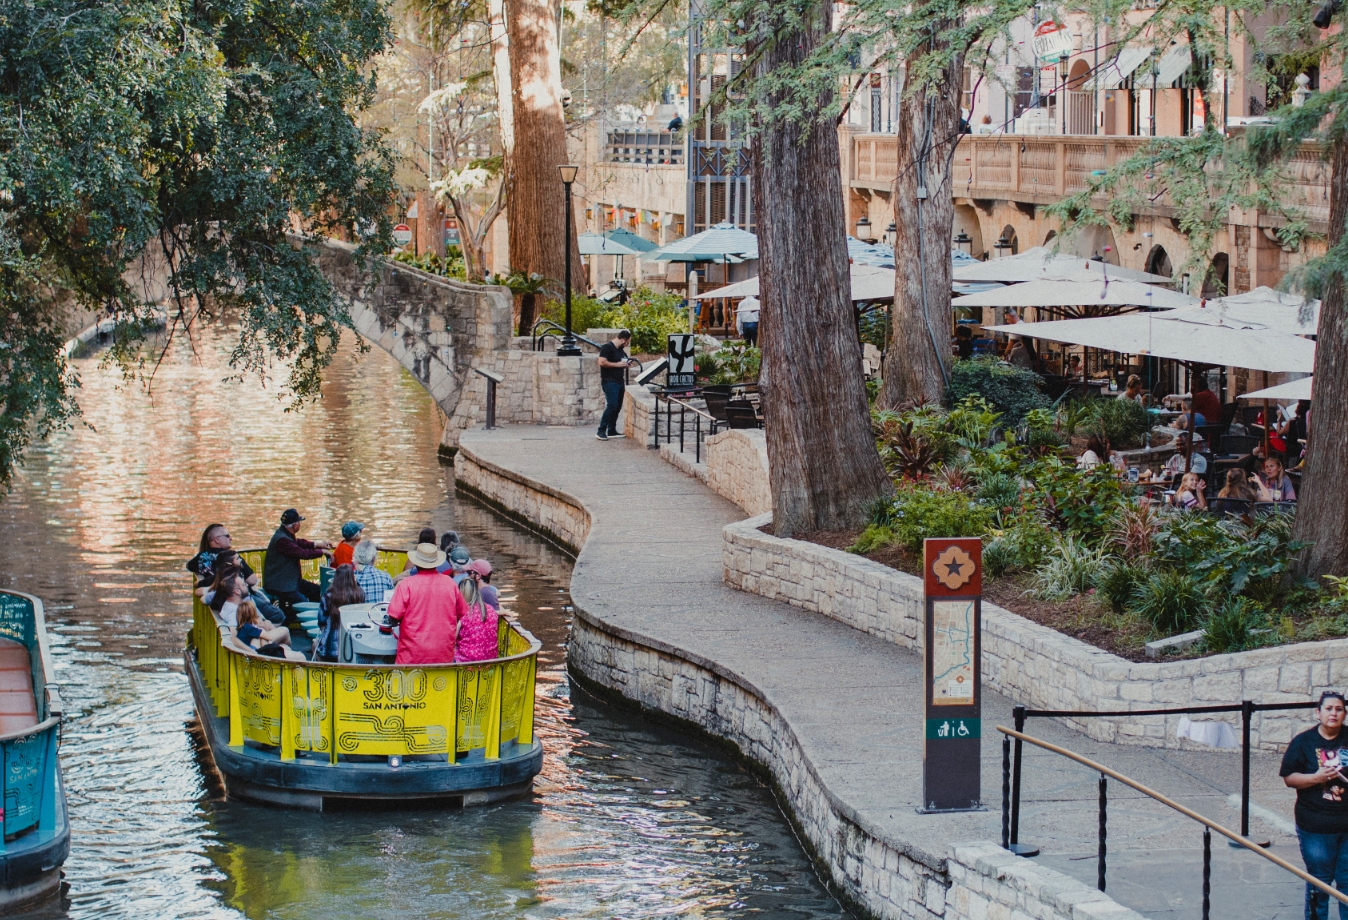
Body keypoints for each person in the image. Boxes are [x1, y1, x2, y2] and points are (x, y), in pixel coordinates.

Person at [1281, 691, 1348, 920]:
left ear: (1345, 714)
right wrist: (1317, 777)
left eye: (1339, 709)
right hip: (1316, 827)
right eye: (1328, 708)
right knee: (1319, 885)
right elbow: (1289, 778)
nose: (1334, 713)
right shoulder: (1304, 742)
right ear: (1318, 713)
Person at [386, 542, 468, 665]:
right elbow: (463, 614)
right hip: (444, 656)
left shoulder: (406, 584)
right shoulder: (450, 584)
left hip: (411, 657)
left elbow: (393, 618)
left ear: (416, 564)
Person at [263, 509, 332, 609]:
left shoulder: (284, 534)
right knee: (303, 603)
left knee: (317, 591)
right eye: (299, 522)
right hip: (281, 585)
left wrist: (317, 545)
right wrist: (322, 552)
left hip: (291, 581)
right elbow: (302, 553)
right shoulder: (282, 540)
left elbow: (299, 543)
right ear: (295, 525)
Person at [315, 564, 365, 662]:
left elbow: (321, 620)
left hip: (331, 648)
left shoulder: (328, 596)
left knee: (315, 646)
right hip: (354, 644)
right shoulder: (360, 594)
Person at [596, 329, 635, 441]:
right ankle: (601, 430)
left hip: (619, 381)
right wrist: (617, 365)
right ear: (623, 340)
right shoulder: (607, 347)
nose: (628, 344)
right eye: (628, 342)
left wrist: (627, 363)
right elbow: (602, 361)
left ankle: (611, 430)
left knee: (617, 406)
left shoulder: (621, 350)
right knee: (612, 405)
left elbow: (623, 360)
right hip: (609, 381)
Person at [231, 599, 302, 659]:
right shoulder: (248, 627)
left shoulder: (242, 628)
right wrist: (262, 627)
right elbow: (267, 636)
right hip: (260, 653)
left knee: (285, 647)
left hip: (258, 650)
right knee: (301, 656)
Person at [455, 576, 500, 663]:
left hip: (467, 665)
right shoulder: (490, 609)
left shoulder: (462, 613)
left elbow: (452, 641)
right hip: (491, 662)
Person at [352, 539, 394, 604]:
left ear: (356, 558)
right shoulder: (386, 577)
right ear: (374, 559)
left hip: (357, 613)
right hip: (378, 613)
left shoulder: (349, 578)